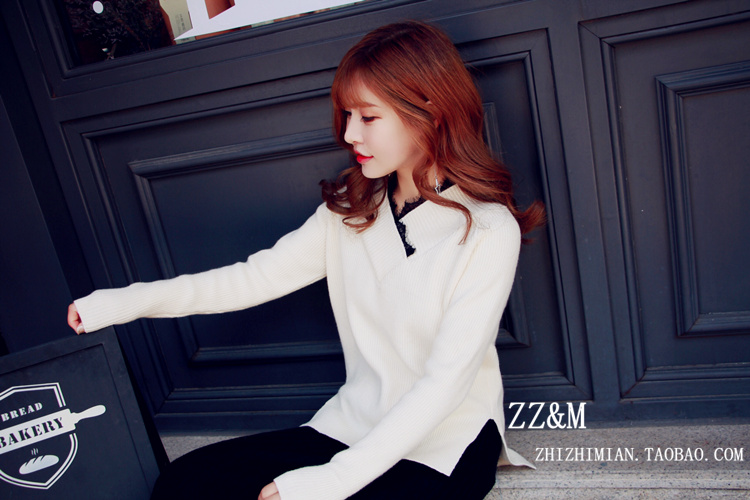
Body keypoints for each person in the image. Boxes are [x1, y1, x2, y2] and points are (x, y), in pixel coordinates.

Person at [67, 20, 544, 500]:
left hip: (447, 442)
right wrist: (120, 304)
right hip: (355, 423)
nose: (350, 133)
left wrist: (330, 481)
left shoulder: (488, 230)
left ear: (432, 113)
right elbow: (250, 280)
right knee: (184, 484)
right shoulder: (351, 211)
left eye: (368, 117)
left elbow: (445, 383)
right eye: (347, 114)